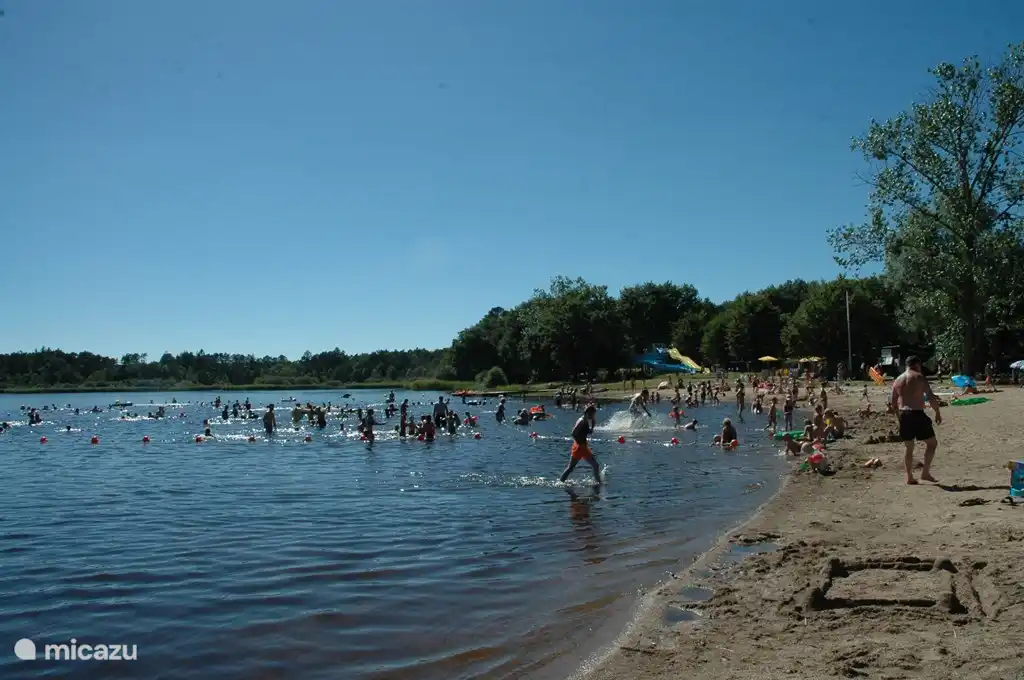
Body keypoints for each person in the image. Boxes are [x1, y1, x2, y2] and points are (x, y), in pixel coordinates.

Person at [891, 355, 942, 485]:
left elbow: (893, 403)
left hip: (904, 414)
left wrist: (898, 418)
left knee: (909, 447)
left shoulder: (897, 380)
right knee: (932, 443)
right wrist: (937, 412)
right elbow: (930, 397)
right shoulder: (919, 377)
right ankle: (925, 473)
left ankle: (909, 477)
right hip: (917, 413)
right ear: (917, 365)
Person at [560, 404, 602, 484]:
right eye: (592, 414)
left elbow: (588, 431)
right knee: (595, 465)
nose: (593, 416)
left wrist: (592, 425)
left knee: (571, 468)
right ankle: (599, 483)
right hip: (580, 447)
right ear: (588, 413)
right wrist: (579, 444)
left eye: (594, 415)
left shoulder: (585, 420)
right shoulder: (582, 421)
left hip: (582, 446)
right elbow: (573, 433)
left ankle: (561, 482)